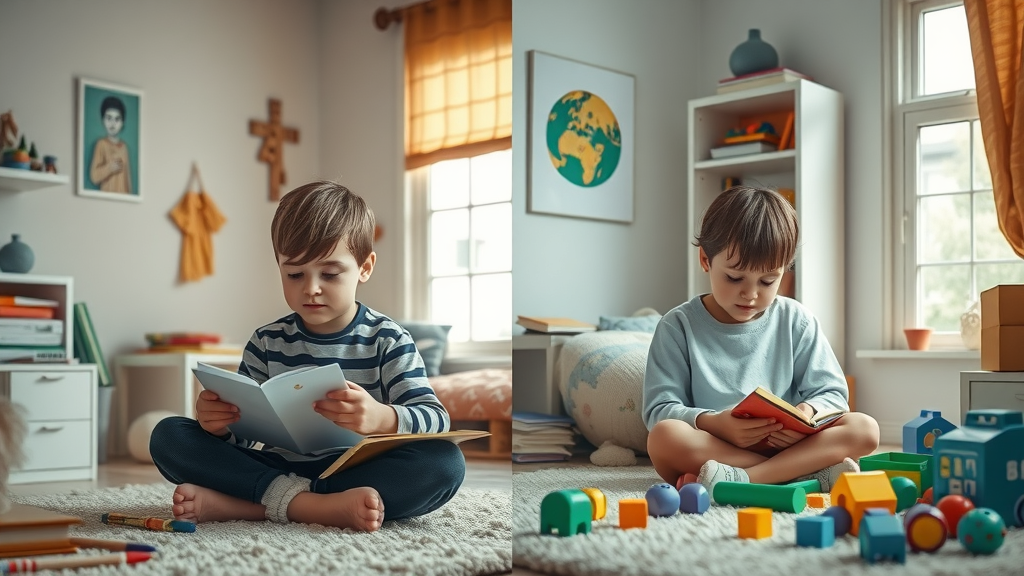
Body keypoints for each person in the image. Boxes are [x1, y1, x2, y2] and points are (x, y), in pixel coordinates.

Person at [150, 181, 465, 532]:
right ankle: (313, 506)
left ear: (365, 267)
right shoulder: (267, 341)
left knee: (445, 461)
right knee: (168, 435)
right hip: (275, 466)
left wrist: (381, 418)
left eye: (329, 274)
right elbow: (245, 439)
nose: (310, 288)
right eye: (294, 273)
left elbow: (436, 419)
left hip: (354, 473)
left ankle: (255, 505)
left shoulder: (388, 340)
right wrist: (219, 426)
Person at [643, 185, 879, 499]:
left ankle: (747, 481)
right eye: (734, 278)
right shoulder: (677, 326)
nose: (751, 294)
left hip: (792, 445)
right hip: (719, 446)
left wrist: (806, 413)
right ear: (705, 260)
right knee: (664, 437)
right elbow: (660, 410)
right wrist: (716, 424)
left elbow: (832, 393)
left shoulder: (797, 319)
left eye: (768, 281)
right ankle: (805, 474)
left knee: (865, 428)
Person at [89, 96, 132, 193]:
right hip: (107, 197)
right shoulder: (101, 144)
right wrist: (110, 168)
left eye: (117, 119)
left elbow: (127, 178)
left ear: (122, 122)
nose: (112, 123)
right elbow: (94, 176)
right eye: (109, 118)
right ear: (103, 119)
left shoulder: (124, 147)